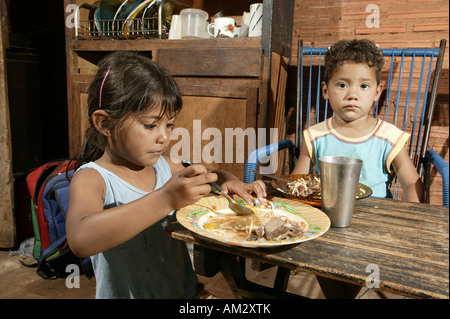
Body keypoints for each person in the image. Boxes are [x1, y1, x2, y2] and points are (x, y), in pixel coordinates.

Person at [66, 51, 267, 299]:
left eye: (169, 125)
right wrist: (165, 199)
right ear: (105, 123)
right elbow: (80, 239)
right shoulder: (94, 178)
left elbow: (210, 174)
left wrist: (230, 181)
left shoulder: (165, 166)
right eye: (151, 125)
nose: (164, 137)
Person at [292, 39, 423, 202]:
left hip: (376, 219)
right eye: (342, 85)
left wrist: (408, 221)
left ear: (377, 92)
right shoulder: (315, 136)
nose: (352, 94)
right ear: (325, 90)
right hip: (327, 216)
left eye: (364, 86)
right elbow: (295, 184)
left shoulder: (388, 138)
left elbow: (412, 184)